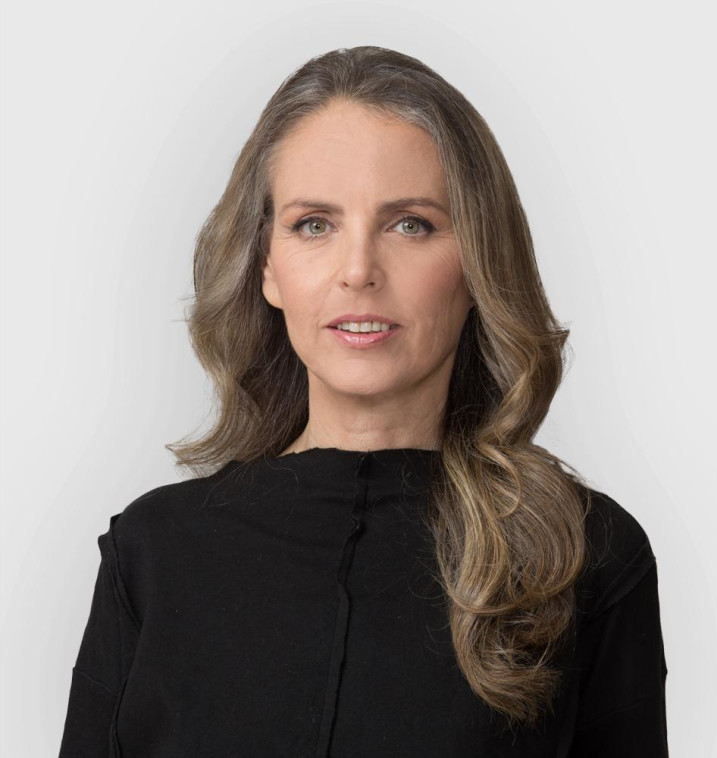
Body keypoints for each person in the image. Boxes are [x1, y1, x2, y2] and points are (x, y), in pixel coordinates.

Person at [57, 46, 669, 757]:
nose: (358, 271)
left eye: (410, 223)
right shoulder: (153, 553)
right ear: (267, 266)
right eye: (314, 224)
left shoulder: (580, 555)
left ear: (477, 262)